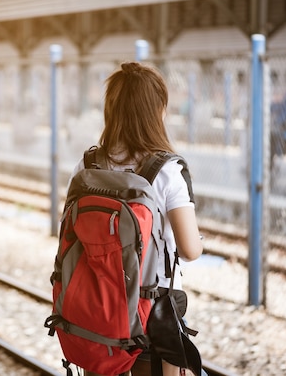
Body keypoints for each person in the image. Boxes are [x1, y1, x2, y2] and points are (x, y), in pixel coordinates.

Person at [68, 61, 204, 376]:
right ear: (157, 112)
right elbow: (189, 250)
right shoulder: (168, 172)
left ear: (110, 110)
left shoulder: (87, 166)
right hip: (153, 311)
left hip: (97, 304)